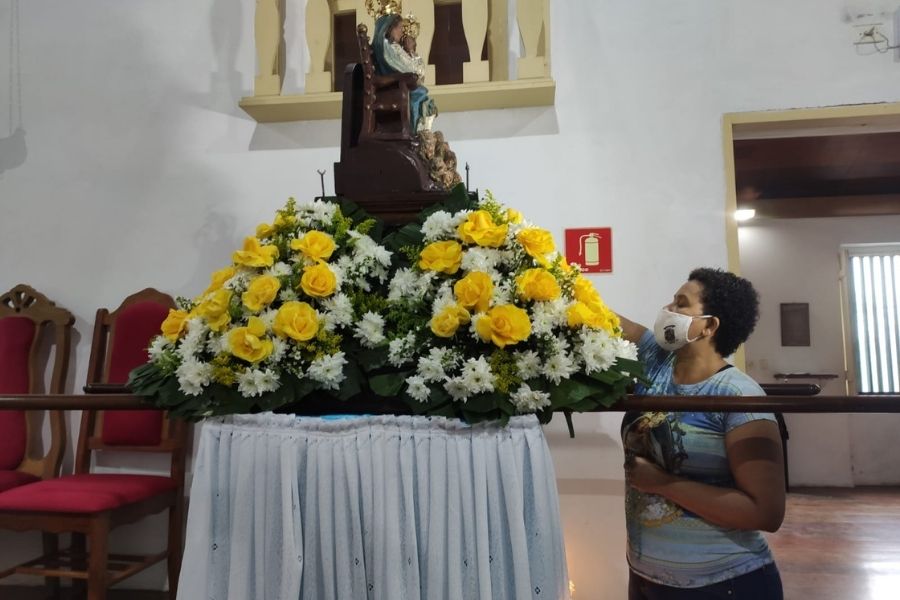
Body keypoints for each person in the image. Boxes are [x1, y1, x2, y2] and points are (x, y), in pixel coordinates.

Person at [617, 267, 785, 599]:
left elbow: (765, 511)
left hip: (725, 584)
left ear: (709, 325)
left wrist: (663, 483)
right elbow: (598, 318)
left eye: (681, 304)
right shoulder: (656, 361)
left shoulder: (739, 396)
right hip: (647, 579)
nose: (668, 310)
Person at [371, 13, 437, 133]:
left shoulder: (393, 47)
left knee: (423, 94)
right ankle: (415, 132)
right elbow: (413, 71)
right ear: (390, 28)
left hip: (400, 86)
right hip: (396, 89)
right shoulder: (388, 47)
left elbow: (415, 72)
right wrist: (411, 51)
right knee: (421, 94)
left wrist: (409, 52)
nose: (402, 32)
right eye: (400, 28)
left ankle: (420, 133)